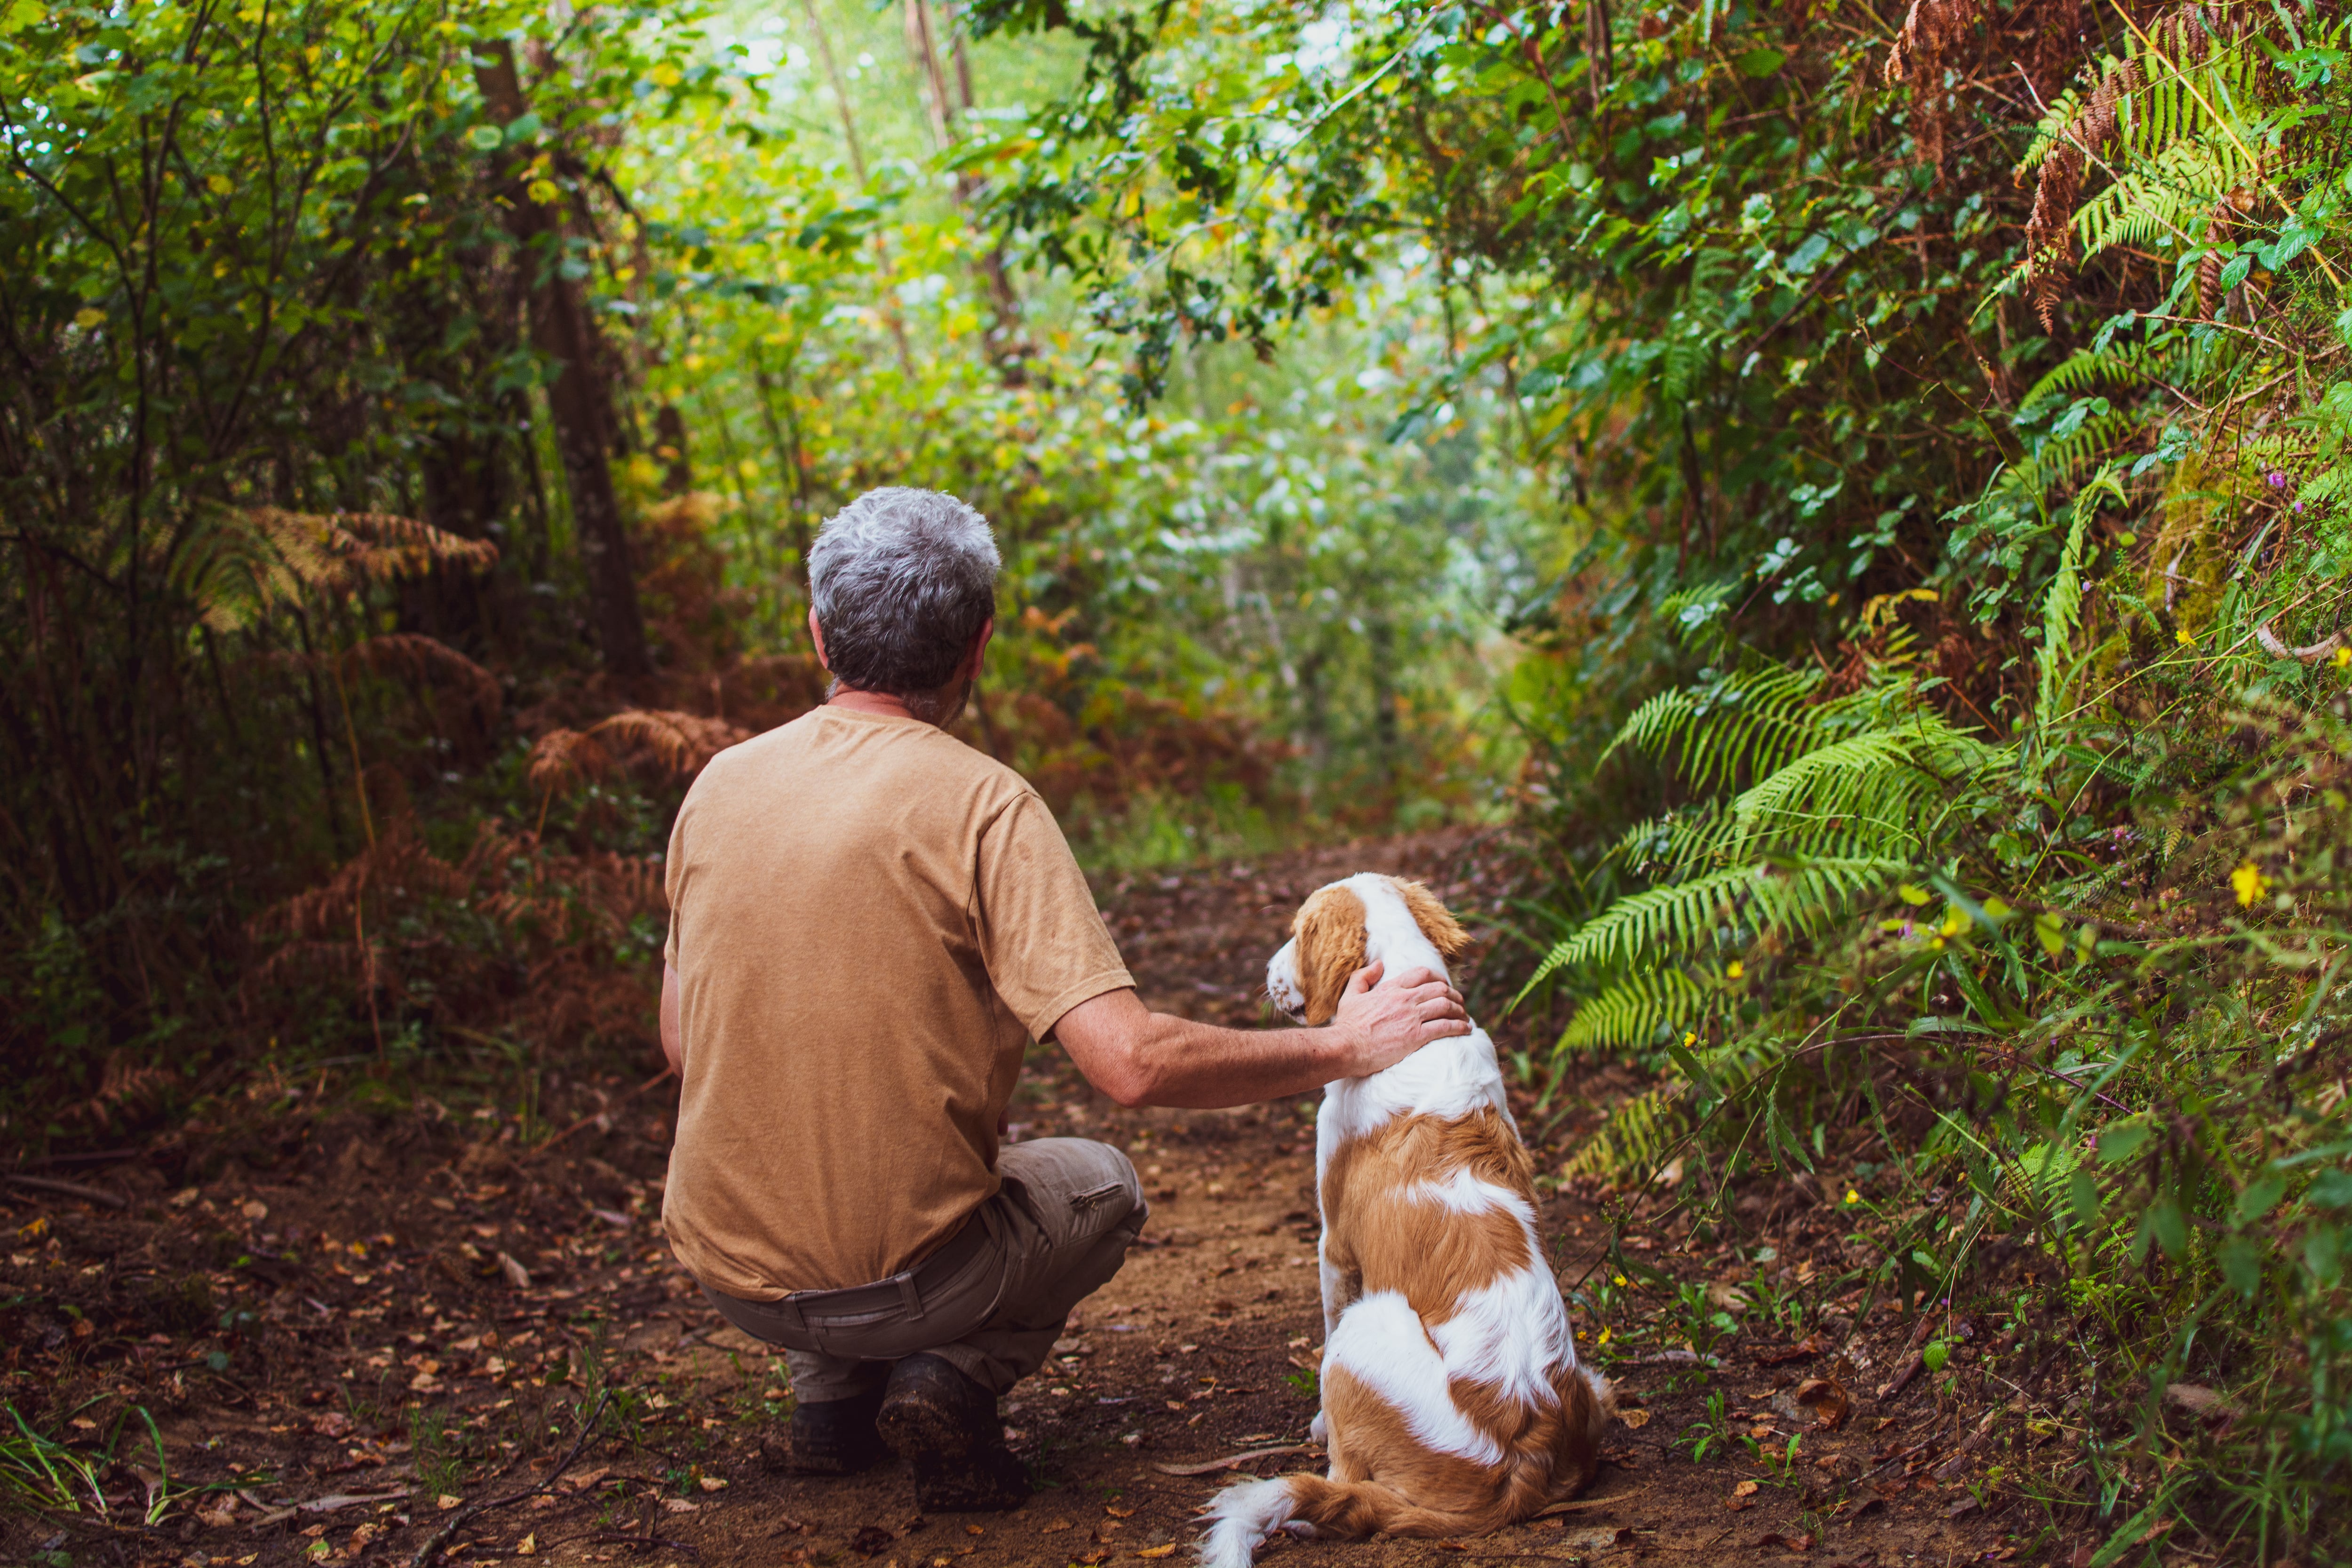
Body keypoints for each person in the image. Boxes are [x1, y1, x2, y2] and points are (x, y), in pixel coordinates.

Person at [658, 486, 1470, 1511]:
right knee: (1101, 1183)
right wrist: (1342, 1045)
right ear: (977, 647)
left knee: (843, 1163)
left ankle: (826, 1410)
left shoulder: (715, 787)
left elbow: (686, 1045)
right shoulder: (984, 801)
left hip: (732, 1277)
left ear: (817, 629)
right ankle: (948, 1376)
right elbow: (1130, 1064)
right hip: (911, 1285)